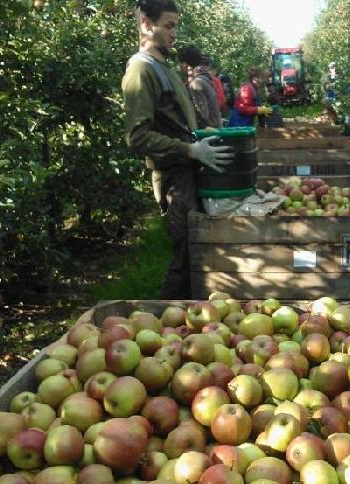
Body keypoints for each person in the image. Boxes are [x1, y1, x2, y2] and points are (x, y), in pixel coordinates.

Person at [122, 0, 233, 299]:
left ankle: (189, 320)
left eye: (176, 26)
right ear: (147, 24)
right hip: (172, 178)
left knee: (196, 250)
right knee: (184, 257)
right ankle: (160, 319)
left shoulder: (166, 69)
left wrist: (205, 132)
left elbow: (182, 121)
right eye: (169, 26)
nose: (174, 34)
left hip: (187, 174)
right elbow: (137, 136)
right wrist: (190, 150)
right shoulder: (141, 71)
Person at [178, 45, 221, 129]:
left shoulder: (197, 83)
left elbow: (202, 115)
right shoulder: (204, 79)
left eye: (179, 63)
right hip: (214, 131)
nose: (179, 66)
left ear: (185, 64)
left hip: (207, 134)